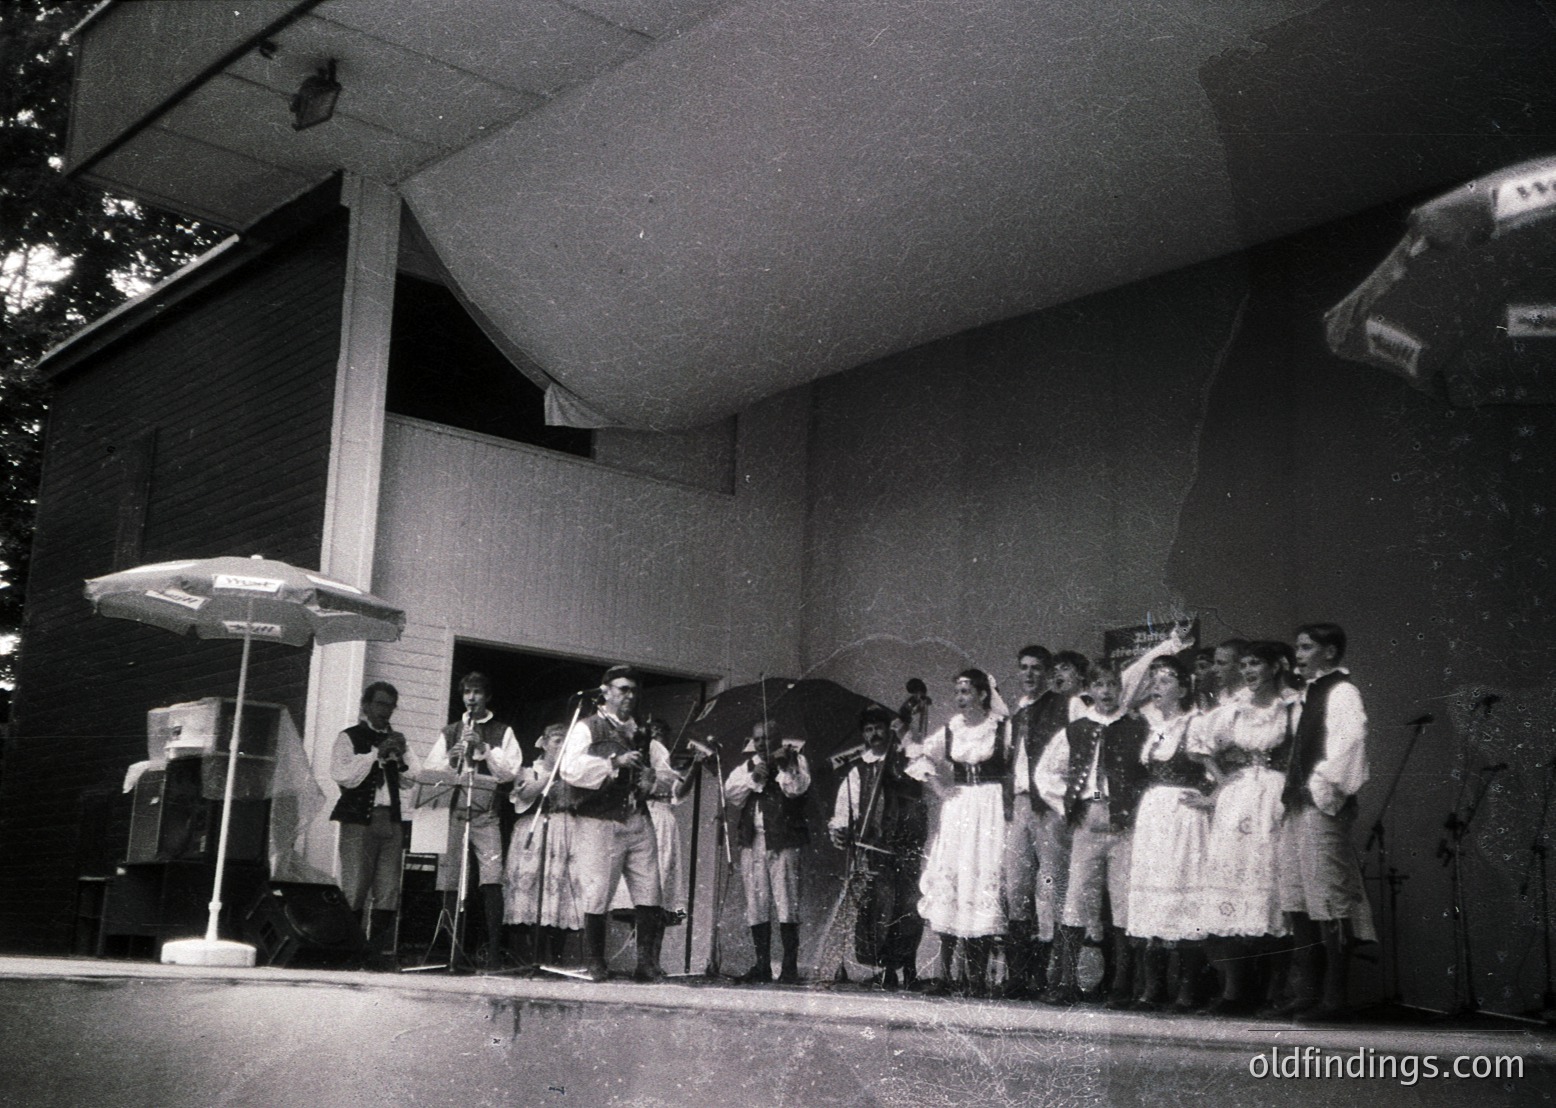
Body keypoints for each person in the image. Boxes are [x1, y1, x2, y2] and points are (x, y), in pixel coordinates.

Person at [1034, 628, 1189, 1005]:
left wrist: (1133, 803)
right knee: (1076, 898)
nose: (1106, 692)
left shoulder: (1137, 726)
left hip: (1125, 825)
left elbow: (1150, 768)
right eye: (1099, 686)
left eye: (1112, 686)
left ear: (1122, 689)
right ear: (1089, 689)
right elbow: (1045, 774)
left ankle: (1123, 984)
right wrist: (1071, 805)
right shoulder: (1077, 729)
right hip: (1089, 821)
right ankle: (1068, 982)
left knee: (1123, 900)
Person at [1192, 640, 1299, 1013]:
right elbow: (1199, 743)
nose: (1249, 671)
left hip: (1274, 797)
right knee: (1232, 883)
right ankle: (1234, 991)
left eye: (1257, 664)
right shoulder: (1234, 708)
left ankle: (1275, 991)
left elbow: (1306, 748)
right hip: (1237, 800)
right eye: (1247, 665)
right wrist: (1221, 781)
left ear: (1275, 667)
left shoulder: (1291, 705)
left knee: (1271, 886)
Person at [1277, 623, 1376, 1021]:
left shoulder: (1342, 691)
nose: (1298, 655)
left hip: (1320, 803)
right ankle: (1308, 992)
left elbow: (1350, 743)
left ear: (1330, 652)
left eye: (1306, 647)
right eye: (1297, 647)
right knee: (1297, 896)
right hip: (1299, 805)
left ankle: (1335, 999)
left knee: (1329, 897)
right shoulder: (1308, 693)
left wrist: (1319, 786)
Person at [559, 664, 671, 982]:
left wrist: (655, 780)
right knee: (597, 890)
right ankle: (596, 961)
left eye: (633, 690)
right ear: (606, 691)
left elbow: (664, 774)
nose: (629, 696)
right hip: (599, 819)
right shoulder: (587, 727)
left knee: (650, 888)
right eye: (623, 689)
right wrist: (613, 763)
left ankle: (646, 964)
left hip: (637, 818)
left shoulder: (642, 731)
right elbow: (569, 769)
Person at [1122, 653, 1214, 1010]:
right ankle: (1154, 986)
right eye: (1153, 680)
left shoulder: (1198, 723)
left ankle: (1188, 988)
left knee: (1182, 893)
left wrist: (1212, 797)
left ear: (1183, 687)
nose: (1155, 687)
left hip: (1183, 817)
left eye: (1164, 681)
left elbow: (1220, 771)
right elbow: (1128, 694)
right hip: (1154, 816)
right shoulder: (1153, 724)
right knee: (1152, 895)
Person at [911, 668, 1010, 996]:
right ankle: (943, 973)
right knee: (952, 881)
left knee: (979, 879)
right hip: (959, 808)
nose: (959, 699)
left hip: (990, 808)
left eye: (966, 692)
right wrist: (940, 789)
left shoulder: (1001, 729)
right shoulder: (951, 730)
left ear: (983, 694)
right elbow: (919, 757)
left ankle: (977, 978)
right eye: (957, 693)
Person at [420, 672, 523, 970]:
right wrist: (450, 760)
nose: (471, 698)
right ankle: (450, 951)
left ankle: (492, 953)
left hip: (485, 812)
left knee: (492, 878)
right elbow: (430, 772)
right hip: (454, 810)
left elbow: (510, 773)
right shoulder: (451, 730)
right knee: (450, 877)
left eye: (477, 692)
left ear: (487, 696)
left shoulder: (503, 730)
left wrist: (484, 749)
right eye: (467, 692)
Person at [828, 705, 928, 990]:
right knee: (881, 908)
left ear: (888, 729)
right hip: (875, 845)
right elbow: (846, 804)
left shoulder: (904, 759)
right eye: (869, 730)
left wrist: (905, 735)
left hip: (906, 844)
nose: (874, 734)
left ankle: (909, 968)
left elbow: (922, 769)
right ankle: (887, 969)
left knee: (909, 906)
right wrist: (841, 828)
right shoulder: (859, 768)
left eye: (879, 728)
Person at [330, 681, 421, 969]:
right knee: (355, 886)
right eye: (381, 704)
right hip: (359, 819)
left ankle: (375, 954)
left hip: (391, 820)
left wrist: (402, 752)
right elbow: (343, 775)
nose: (386, 711)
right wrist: (375, 755)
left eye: (390, 706)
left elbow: (414, 777)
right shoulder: (348, 737)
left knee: (388, 888)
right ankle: (350, 951)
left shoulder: (396, 738)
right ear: (366, 705)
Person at [1000, 645, 1071, 997]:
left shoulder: (1062, 706)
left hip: (1049, 808)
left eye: (1037, 668)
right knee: (1017, 890)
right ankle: (1018, 976)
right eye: (1024, 667)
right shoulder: (1017, 712)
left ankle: (1053, 974)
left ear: (1048, 673)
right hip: (1021, 806)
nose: (1029, 674)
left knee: (1052, 888)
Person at [725, 718, 813, 984]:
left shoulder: (796, 759)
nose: (763, 743)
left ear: (779, 738)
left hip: (784, 840)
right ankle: (762, 964)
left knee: (787, 901)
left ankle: (789, 968)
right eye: (758, 738)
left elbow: (797, 789)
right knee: (756, 902)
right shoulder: (748, 765)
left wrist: (785, 768)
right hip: (754, 841)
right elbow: (732, 794)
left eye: (768, 738)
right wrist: (754, 778)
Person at [504, 723, 582, 970]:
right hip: (536, 831)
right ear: (545, 743)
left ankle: (556, 959)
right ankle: (534, 958)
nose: (561, 746)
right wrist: (553, 774)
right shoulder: (530, 770)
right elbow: (524, 796)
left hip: (566, 830)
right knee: (534, 892)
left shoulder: (573, 773)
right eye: (557, 741)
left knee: (560, 893)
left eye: (565, 742)